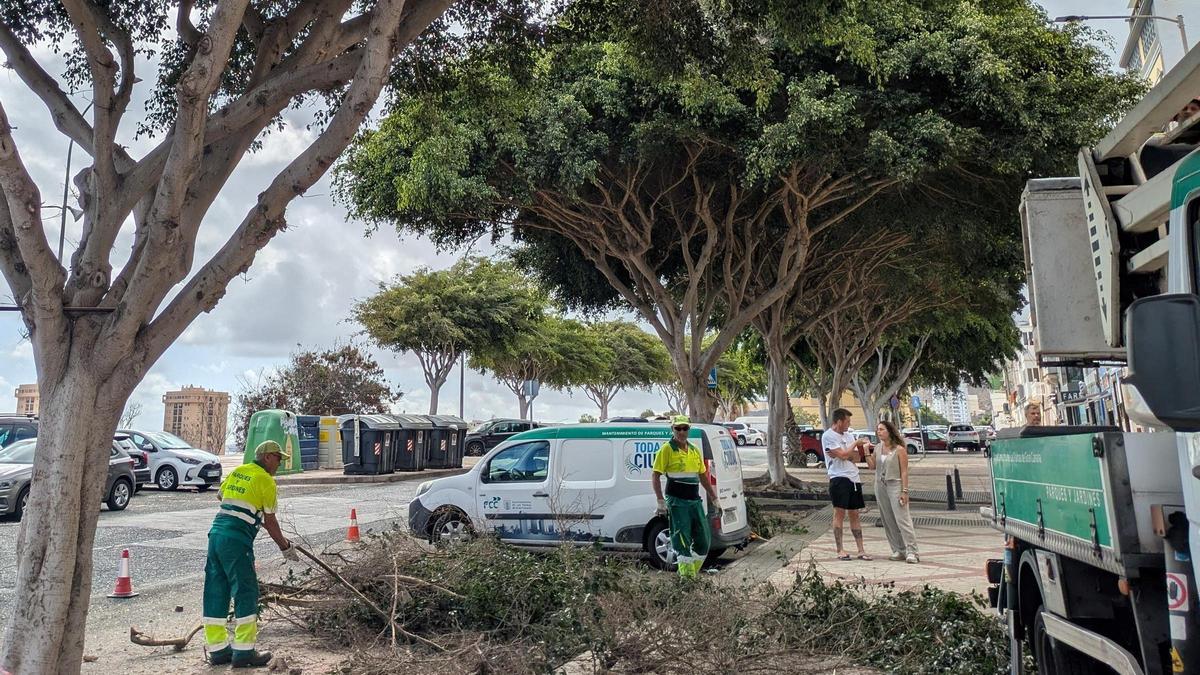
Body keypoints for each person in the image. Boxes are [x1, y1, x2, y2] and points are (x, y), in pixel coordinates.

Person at [203, 440, 299, 668]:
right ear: (267, 457)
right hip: (236, 540)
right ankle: (244, 653)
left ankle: (217, 651)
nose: (280, 463)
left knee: (216, 590)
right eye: (278, 458)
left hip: (216, 535)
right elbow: (271, 521)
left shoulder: (239, 471)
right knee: (246, 591)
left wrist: (249, 509)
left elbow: (221, 497)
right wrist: (285, 546)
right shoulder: (265, 480)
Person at [651, 415, 720, 578]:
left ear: (689, 429)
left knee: (703, 541)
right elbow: (655, 476)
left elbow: (703, 475)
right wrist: (660, 500)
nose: (682, 432)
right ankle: (687, 580)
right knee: (682, 542)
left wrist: (714, 497)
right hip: (677, 502)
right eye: (678, 428)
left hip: (694, 501)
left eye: (685, 428)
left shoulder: (695, 450)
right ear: (672, 429)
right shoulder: (666, 449)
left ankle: (691, 575)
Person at [865, 420, 919, 563]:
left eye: (882, 429)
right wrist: (865, 452)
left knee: (902, 519)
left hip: (895, 484)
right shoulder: (877, 448)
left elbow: (904, 471)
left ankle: (912, 550)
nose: (879, 432)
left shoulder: (899, 449)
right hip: (880, 485)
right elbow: (872, 466)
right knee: (887, 519)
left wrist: (905, 490)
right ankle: (898, 549)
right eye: (878, 429)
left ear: (889, 431)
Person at [822, 408, 872, 560]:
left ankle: (861, 549)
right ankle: (840, 550)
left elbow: (855, 457)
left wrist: (845, 453)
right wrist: (851, 447)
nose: (849, 425)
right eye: (847, 421)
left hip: (854, 478)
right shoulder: (828, 436)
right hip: (839, 478)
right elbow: (843, 455)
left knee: (854, 513)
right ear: (838, 421)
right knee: (839, 513)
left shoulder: (849, 435)